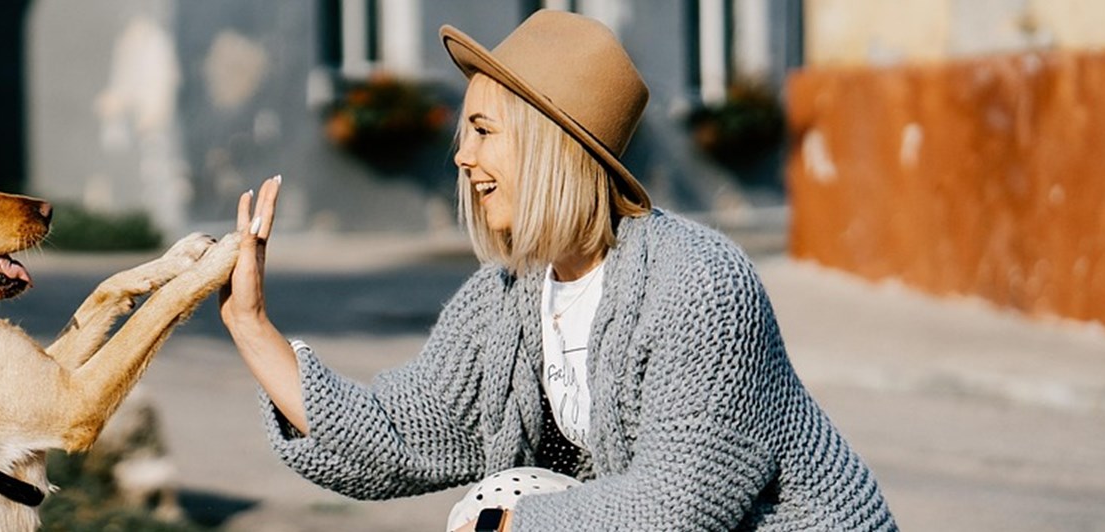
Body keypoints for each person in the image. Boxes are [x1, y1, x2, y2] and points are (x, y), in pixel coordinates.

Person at [218, 11, 897, 531]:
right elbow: (403, 433)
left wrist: (512, 526)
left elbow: (679, 506)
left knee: (505, 505)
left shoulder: (700, 283)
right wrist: (250, 326)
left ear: (551, 142)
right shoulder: (509, 296)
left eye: (483, 130)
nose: (462, 155)